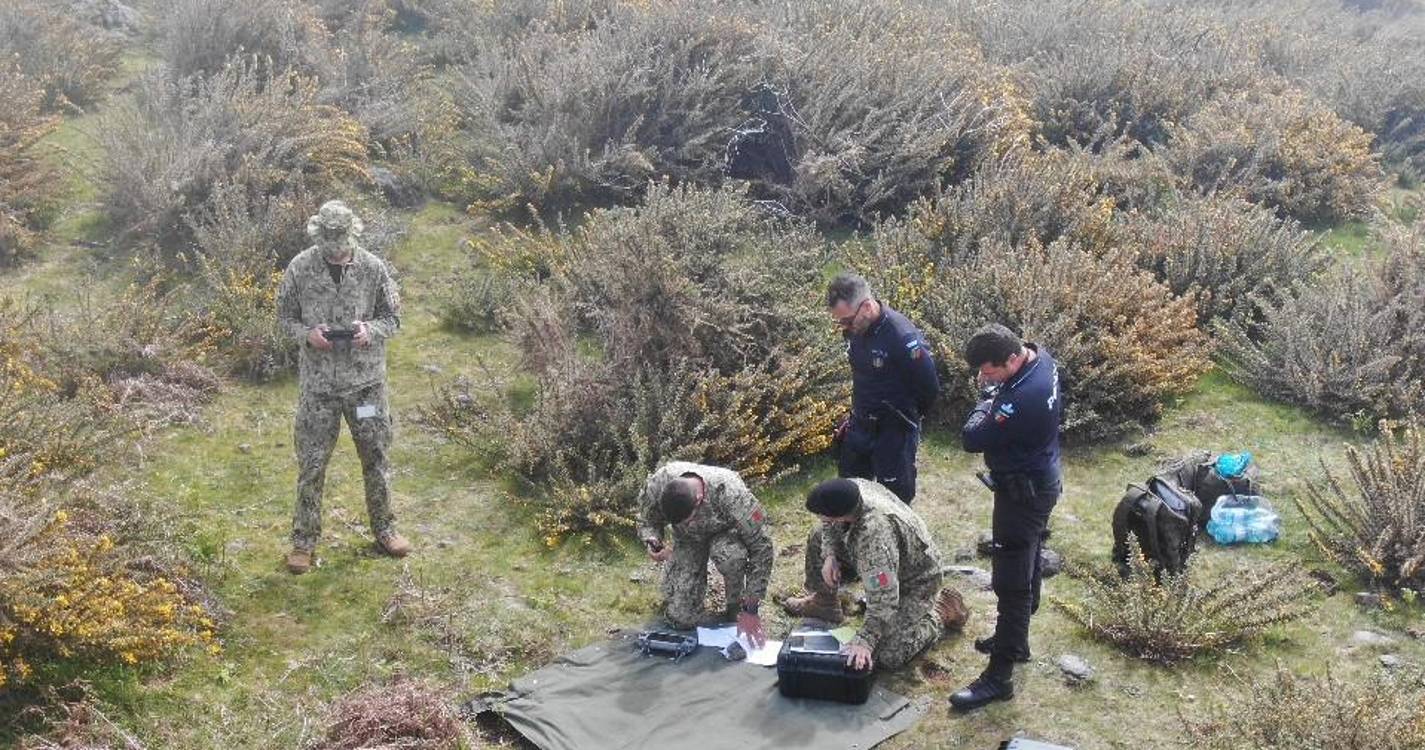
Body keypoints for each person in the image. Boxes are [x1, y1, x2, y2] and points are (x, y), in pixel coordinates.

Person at [276, 200, 408, 574]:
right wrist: (306, 335)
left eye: (341, 243)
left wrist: (372, 330)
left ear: (353, 236)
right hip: (319, 391)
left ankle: (385, 530)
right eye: (329, 242)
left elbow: (394, 317)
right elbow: (284, 318)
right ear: (319, 236)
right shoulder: (300, 268)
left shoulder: (373, 268)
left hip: (366, 389)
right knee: (312, 465)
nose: (335, 250)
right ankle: (303, 544)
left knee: (376, 459)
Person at [951, 324, 1062, 710]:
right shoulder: (1040, 357)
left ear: (1012, 359)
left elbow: (971, 438)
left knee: (1010, 583)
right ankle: (1017, 642)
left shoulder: (1022, 398)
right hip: (1041, 479)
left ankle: (999, 678)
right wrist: (994, 393)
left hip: (1023, 493)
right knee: (1027, 558)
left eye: (989, 371)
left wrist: (985, 403)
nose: (984, 379)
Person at [782, 478, 968, 671]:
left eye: (827, 517)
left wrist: (865, 640)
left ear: (841, 515)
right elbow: (828, 525)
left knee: (888, 654)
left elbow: (885, 597)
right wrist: (829, 555)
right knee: (818, 534)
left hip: (916, 580)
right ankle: (824, 603)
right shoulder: (848, 491)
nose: (825, 521)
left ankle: (942, 610)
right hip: (888, 560)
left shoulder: (874, 537)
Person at [825, 273, 939, 504]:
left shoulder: (901, 336)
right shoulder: (856, 329)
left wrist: (906, 416)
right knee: (850, 493)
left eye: (847, 321)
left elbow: (929, 387)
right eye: (839, 322)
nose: (843, 327)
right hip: (860, 424)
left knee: (895, 500)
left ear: (866, 307)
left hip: (893, 430)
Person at [636, 462, 775, 647]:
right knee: (682, 619)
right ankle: (677, 588)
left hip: (724, 535)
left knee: (731, 557)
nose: (689, 524)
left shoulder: (731, 493)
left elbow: (762, 547)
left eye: (690, 518)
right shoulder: (660, 481)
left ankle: (736, 604)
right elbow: (646, 518)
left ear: (700, 497)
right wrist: (653, 540)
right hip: (688, 541)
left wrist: (751, 608)